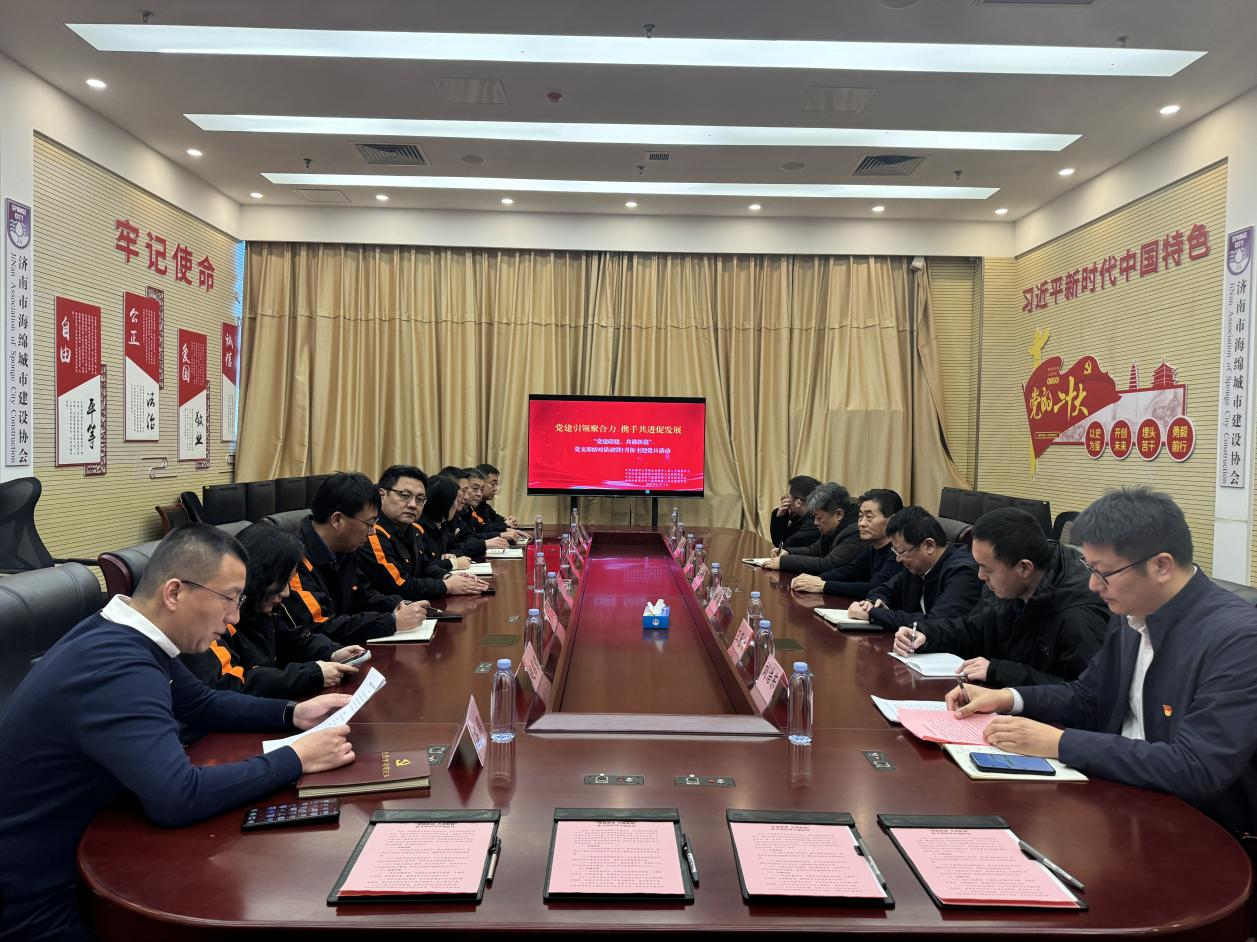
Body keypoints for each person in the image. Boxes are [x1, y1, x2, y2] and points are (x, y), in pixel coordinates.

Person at [0, 524, 354, 941]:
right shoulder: (117, 666)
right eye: (229, 599)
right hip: (42, 898)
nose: (235, 617)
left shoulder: (129, 634)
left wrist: (292, 714)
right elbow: (176, 796)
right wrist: (296, 757)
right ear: (174, 593)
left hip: (96, 847)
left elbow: (202, 703)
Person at [952, 488, 1257, 837]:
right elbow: (1089, 697)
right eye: (1089, 568)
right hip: (1119, 799)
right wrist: (1008, 698)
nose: (1093, 585)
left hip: (1202, 831)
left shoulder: (1238, 639)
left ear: (1161, 566)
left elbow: (1196, 766)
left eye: (1104, 572)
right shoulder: (1131, 613)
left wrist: (1060, 743)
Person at [892, 507, 1110, 686]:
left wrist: (999, 671)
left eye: (986, 568)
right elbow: (973, 630)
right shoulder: (1008, 585)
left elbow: (1086, 695)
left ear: (1024, 568)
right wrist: (926, 634)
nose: (980, 576)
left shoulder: (1078, 614)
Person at [182, 522, 367, 698]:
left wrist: (332, 653)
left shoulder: (264, 608)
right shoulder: (212, 621)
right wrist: (309, 675)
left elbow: (295, 640)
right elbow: (231, 684)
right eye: (282, 582)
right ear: (257, 577)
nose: (286, 593)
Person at [287, 472, 430, 645]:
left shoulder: (344, 547)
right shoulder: (293, 559)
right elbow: (320, 626)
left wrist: (397, 605)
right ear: (337, 520)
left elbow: (363, 595)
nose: (371, 532)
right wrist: (391, 622)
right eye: (369, 524)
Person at [358, 465, 489, 601]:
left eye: (420, 499)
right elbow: (399, 585)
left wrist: (448, 577)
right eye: (405, 495)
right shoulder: (372, 532)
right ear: (382, 494)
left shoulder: (412, 529)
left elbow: (425, 566)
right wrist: (447, 585)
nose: (413, 505)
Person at [846, 505, 981, 628]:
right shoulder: (916, 567)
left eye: (901, 552)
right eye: (895, 552)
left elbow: (936, 623)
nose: (898, 559)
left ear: (929, 546)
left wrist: (874, 614)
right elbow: (884, 589)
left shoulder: (963, 573)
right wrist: (873, 602)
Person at [791, 488, 903, 596]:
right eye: (860, 516)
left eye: (869, 517)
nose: (861, 523)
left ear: (892, 520)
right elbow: (851, 571)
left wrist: (824, 586)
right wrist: (816, 579)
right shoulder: (874, 547)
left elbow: (875, 588)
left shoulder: (899, 552)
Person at [762, 482, 862, 575]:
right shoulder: (833, 526)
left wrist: (784, 562)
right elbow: (814, 550)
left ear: (838, 514)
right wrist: (788, 552)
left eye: (819, 518)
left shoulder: (856, 531)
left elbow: (828, 564)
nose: (815, 523)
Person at [464, 467, 526, 542]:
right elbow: (476, 533)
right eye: (493, 484)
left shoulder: (482, 506)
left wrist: (506, 521)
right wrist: (504, 527)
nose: (479, 494)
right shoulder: (464, 509)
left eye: (482, 489)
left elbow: (485, 525)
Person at [769, 475, 822, 550]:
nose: (784, 500)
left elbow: (786, 546)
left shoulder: (814, 522)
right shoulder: (797, 516)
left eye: (787, 497)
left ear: (798, 503)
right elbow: (779, 543)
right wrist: (780, 517)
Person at [477, 462, 518, 531]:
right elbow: (482, 529)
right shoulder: (469, 507)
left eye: (496, 484)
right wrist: (505, 524)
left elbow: (496, 518)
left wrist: (508, 520)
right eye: (493, 484)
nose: (495, 489)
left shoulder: (484, 506)